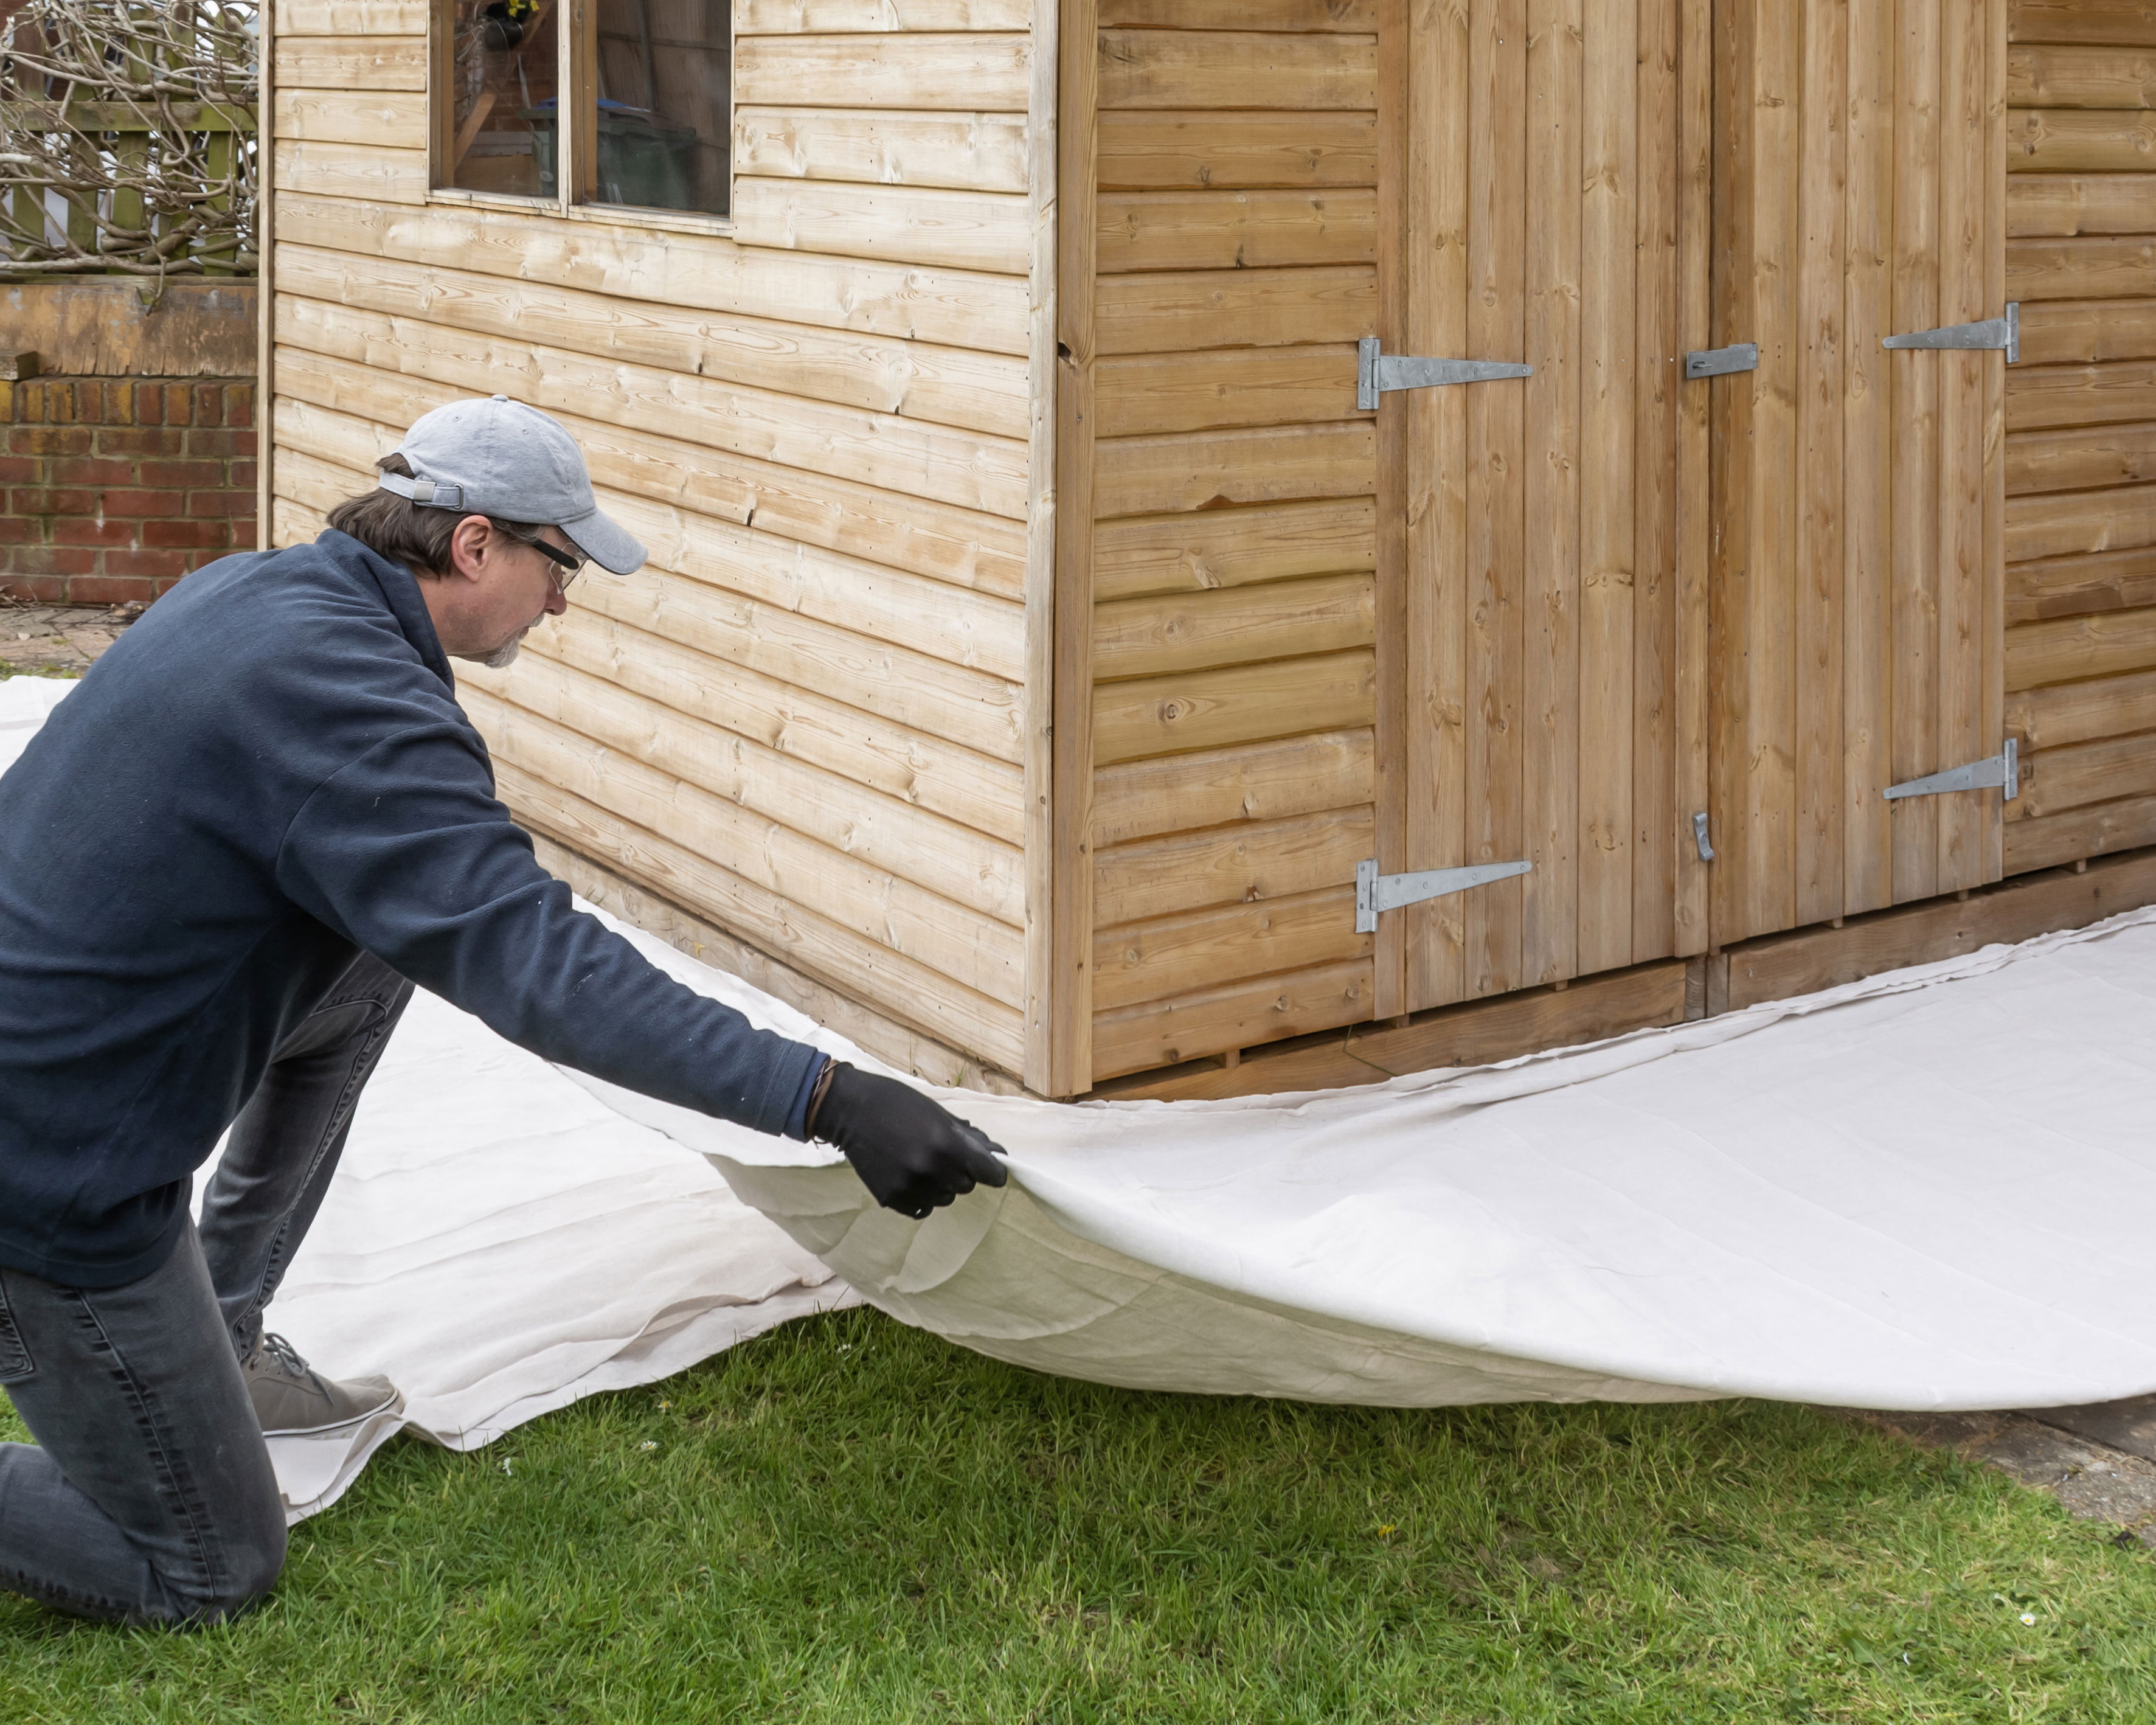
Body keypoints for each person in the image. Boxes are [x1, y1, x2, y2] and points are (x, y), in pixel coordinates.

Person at [0, 395, 1009, 1628]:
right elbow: (550, 972)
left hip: (53, 1075)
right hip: (48, 1174)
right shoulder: (352, 712)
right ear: (475, 546)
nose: (565, 602)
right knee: (209, 1562)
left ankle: (224, 1324)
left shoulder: (261, 595)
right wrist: (829, 1096)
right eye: (560, 566)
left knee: (375, 955)